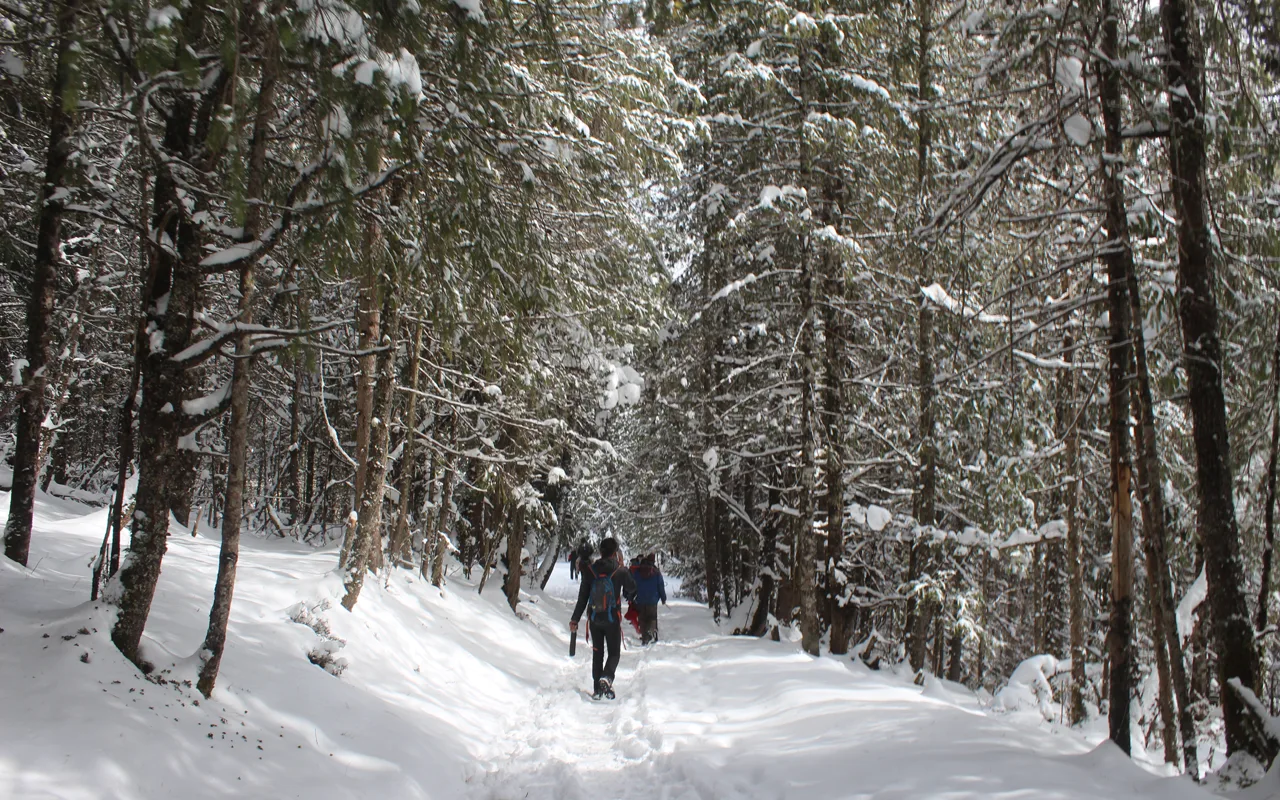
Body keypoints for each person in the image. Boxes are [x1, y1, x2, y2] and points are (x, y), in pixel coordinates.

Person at [570, 537, 636, 699]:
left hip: (594, 618)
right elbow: (633, 589)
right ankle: (606, 678)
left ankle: (597, 690)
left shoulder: (590, 570)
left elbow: (583, 597)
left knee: (597, 652)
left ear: (600, 552)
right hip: (612, 618)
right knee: (614, 653)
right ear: (615, 552)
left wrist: (575, 619)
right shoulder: (620, 570)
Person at [629, 553, 666, 645]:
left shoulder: (638, 571)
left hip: (640, 599)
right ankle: (651, 634)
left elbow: (633, 585)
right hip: (652, 599)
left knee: (642, 618)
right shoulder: (656, 572)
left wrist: (631, 597)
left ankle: (645, 637)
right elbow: (660, 586)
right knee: (652, 617)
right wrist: (663, 598)